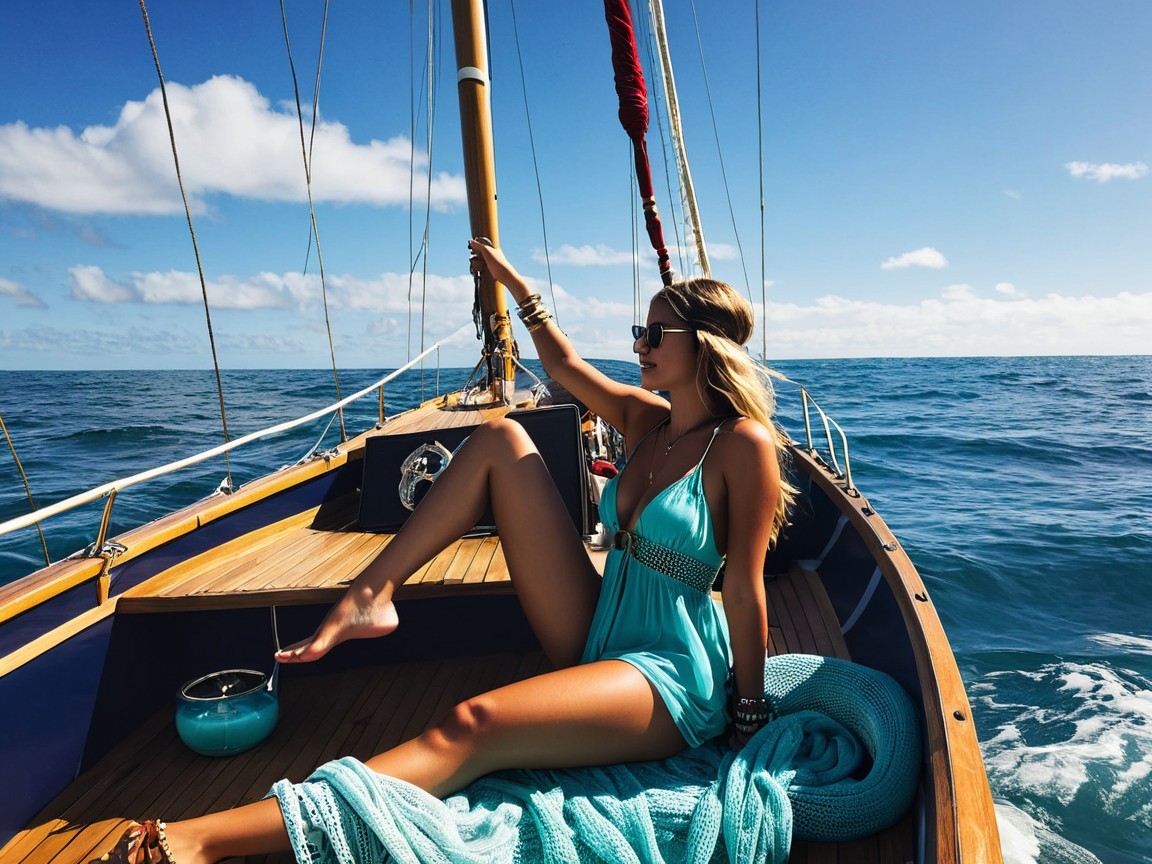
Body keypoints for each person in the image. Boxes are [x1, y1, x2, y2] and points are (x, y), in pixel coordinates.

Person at [94, 239, 795, 864]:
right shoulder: (646, 420)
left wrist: (749, 712)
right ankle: (371, 594)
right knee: (500, 438)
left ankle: (205, 839)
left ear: (706, 346)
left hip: (670, 669)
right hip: (601, 625)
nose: (640, 343)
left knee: (472, 724)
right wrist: (515, 285)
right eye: (639, 329)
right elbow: (562, 363)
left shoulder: (743, 446)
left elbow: (744, 589)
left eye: (655, 332)